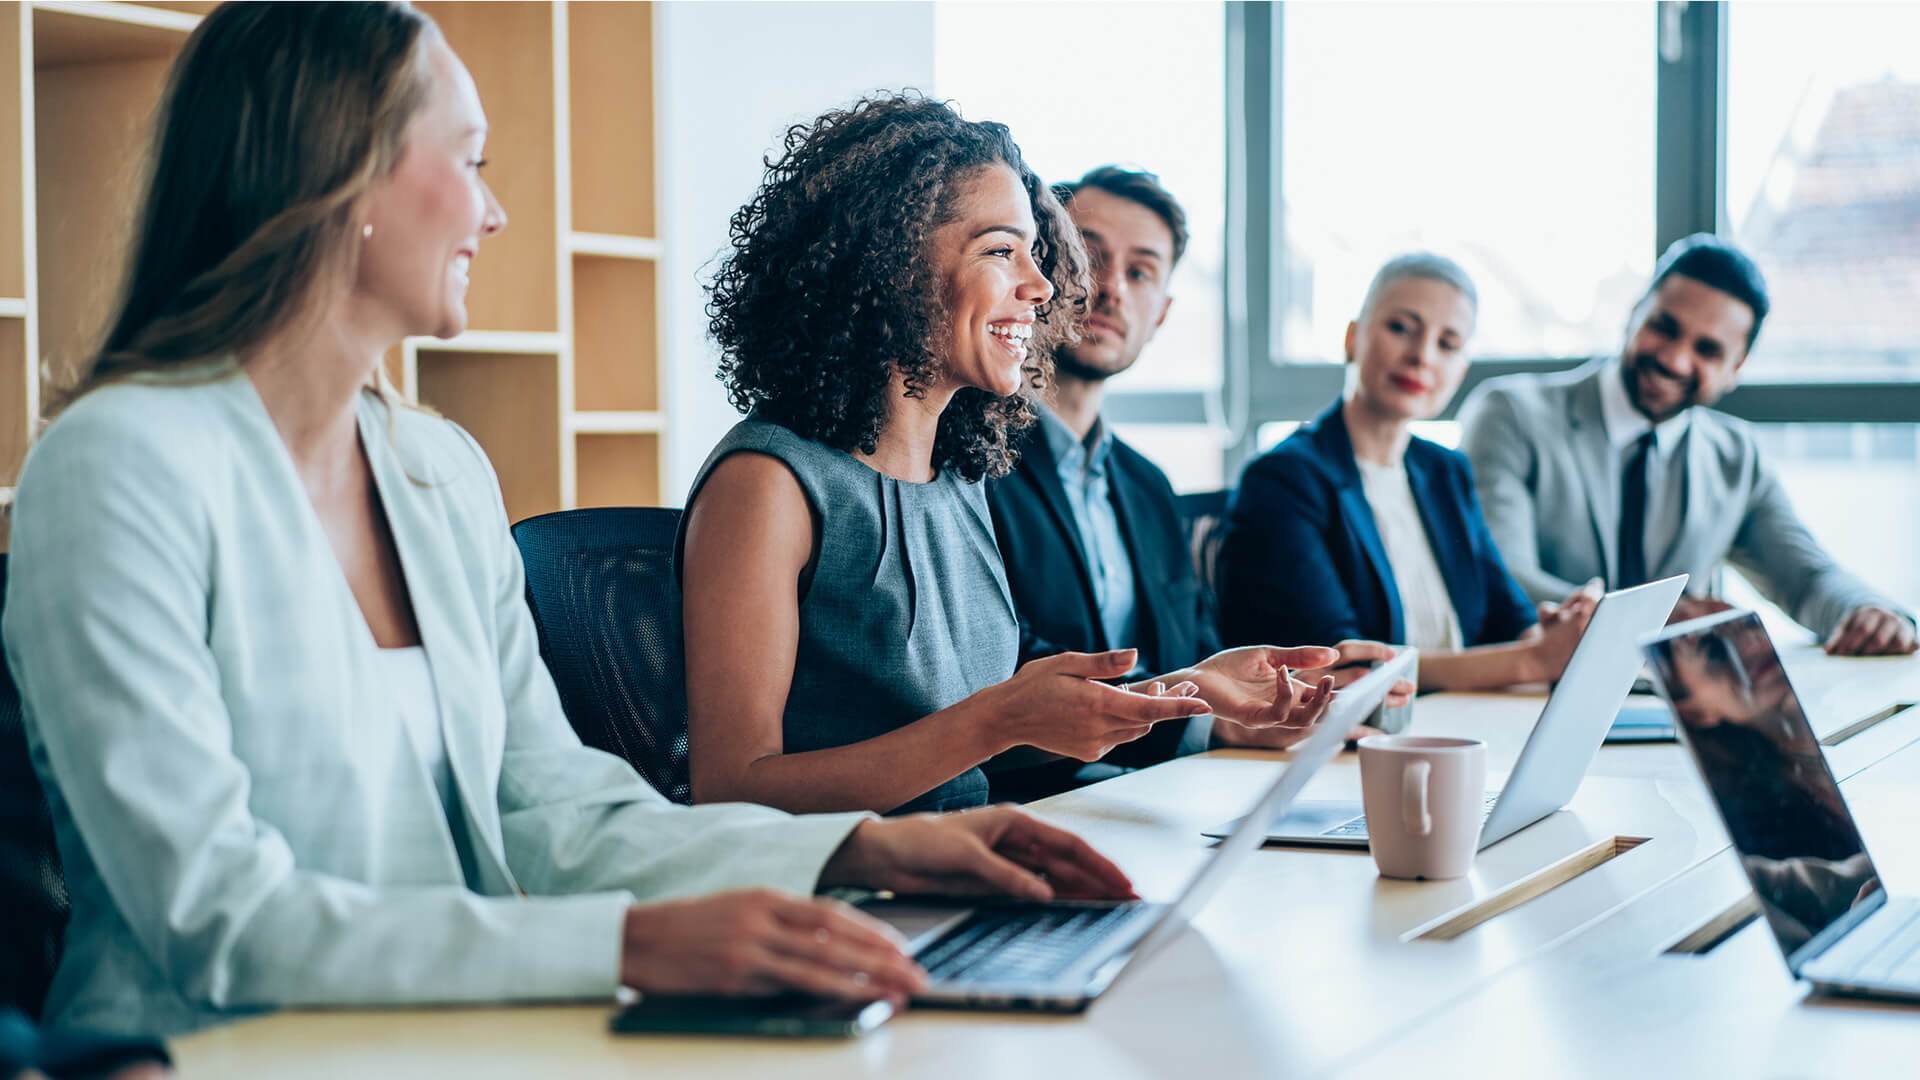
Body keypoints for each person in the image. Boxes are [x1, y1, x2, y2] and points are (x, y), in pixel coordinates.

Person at [4, 4, 1137, 1039]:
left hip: (461, 1034)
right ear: (340, 178)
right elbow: (215, 914)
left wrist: (872, 846)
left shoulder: (434, 470)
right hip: (205, 1050)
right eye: (470, 161)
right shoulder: (118, 468)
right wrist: (629, 943)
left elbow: (558, 809)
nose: (495, 212)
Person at [680, 96, 1347, 818]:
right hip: (853, 902)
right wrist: (996, 720)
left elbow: (987, 741)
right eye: (1002, 251)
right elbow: (733, 790)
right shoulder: (767, 484)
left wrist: (1185, 689)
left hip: (969, 862)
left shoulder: (957, 476)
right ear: (891, 261)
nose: (1043, 287)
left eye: (1035, 253)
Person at [985, 166, 1408, 798]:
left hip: (1158, 790)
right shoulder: (971, 460)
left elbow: (1195, 652)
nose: (1112, 290)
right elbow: (998, 659)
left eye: (1141, 272)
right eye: (1089, 257)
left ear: (1161, 314)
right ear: (1042, 274)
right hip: (1034, 799)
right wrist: (1201, 715)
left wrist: (1262, 705)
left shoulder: (1147, 487)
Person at [1458, 234, 1915, 656]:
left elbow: (1807, 581)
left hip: (1680, 712)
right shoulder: (1511, 415)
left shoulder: (1736, 456)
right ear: (1634, 313)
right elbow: (1502, 578)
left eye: (1708, 350)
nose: (1675, 359)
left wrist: (1871, 613)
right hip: (1525, 698)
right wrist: (1656, 618)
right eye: (1665, 327)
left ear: (1737, 367)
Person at [1218, 254, 1599, 692]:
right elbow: (1345, 667)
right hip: (1350, 738)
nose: (1422, 356)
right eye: (1401, 328)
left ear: (1461, 370)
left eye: (1448, 344)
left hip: (1465, 721)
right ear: (1352, 338)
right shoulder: (1283, 479)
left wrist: (1557, 634)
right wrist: (1533, 661)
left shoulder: (1445, 471)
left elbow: (1509, 618)